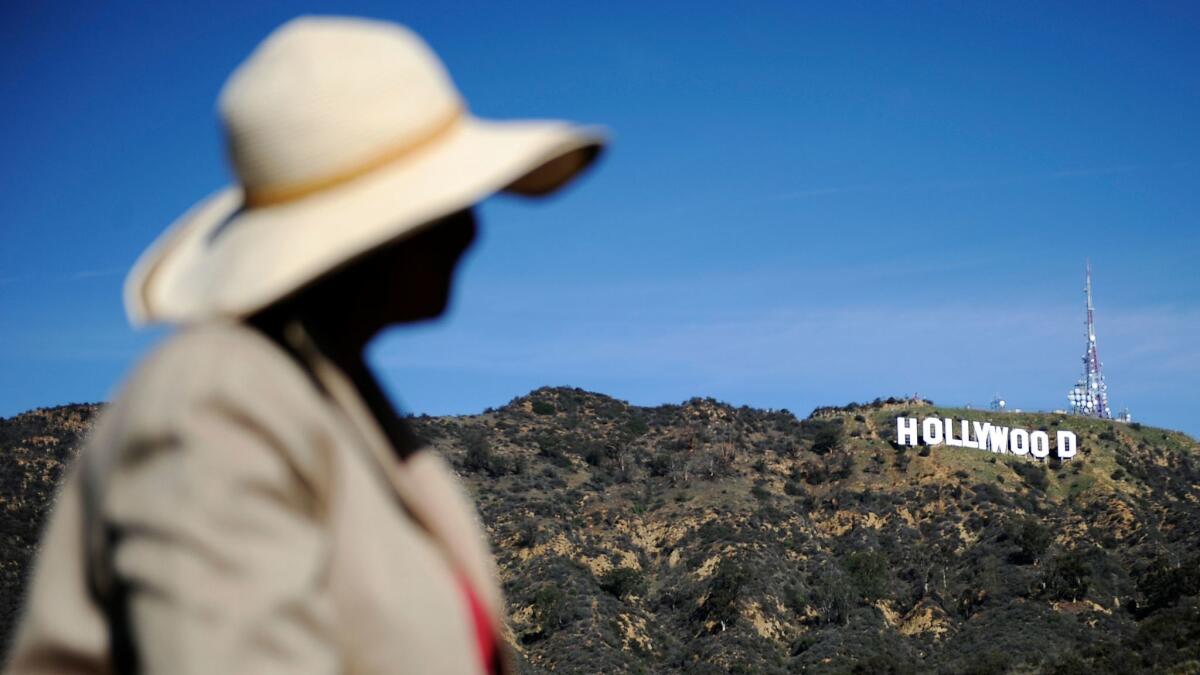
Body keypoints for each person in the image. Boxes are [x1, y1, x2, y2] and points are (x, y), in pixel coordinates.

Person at [5, 16, 603, 675]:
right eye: (442, 205)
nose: (470, 231)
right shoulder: (218, 396)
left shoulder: (330, 404)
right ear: (370, 232)